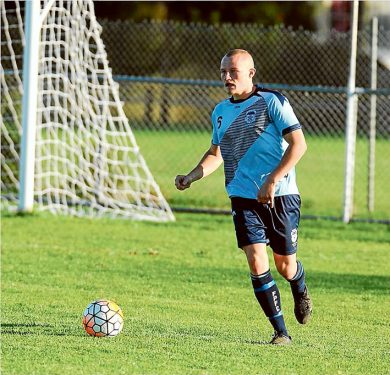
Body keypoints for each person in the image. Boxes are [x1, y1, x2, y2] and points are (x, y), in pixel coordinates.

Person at [175, 49, 312, 345]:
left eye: (233, 72)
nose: (226, 77)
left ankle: (299, 285)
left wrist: (273, 180)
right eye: (223, 71)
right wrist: (191, 176)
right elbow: (216, 154)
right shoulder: (220, 112)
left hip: (280, 196)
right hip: (242, 195)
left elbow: (298, 145)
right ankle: (280, 332)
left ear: (251, 73)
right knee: (255, 259)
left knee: (285, 266)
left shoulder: (272, 102)